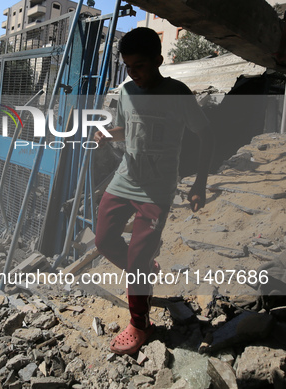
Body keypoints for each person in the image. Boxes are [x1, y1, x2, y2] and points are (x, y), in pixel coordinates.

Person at [93, 27, 213, 355]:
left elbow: (205, 135)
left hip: (156, 191)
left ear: (158, 60)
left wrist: (200, 184)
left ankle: (140, 323)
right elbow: (127, 130)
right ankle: (144, 269)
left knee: (138, 256)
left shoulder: (178, 94)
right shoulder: (126, 91)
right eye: (128, 67)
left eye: (140, 66)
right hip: (124, 180)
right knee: (103, 240)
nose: (134, 73)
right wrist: (108, 134)